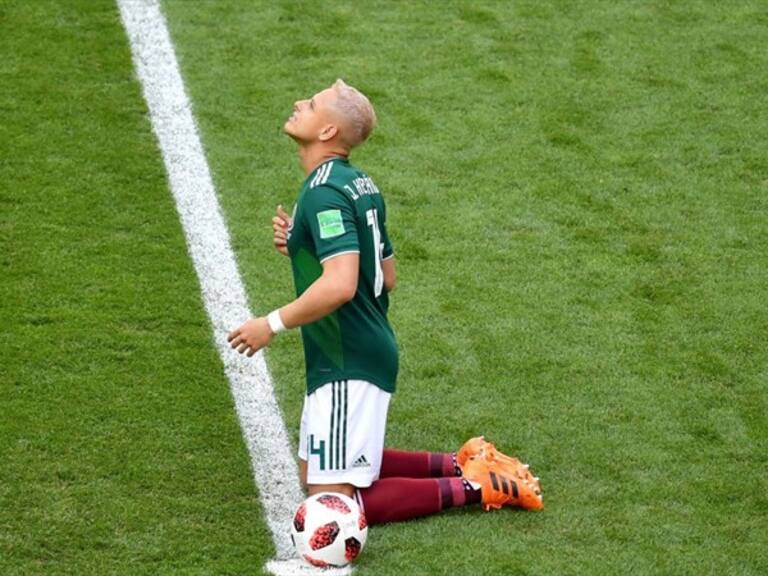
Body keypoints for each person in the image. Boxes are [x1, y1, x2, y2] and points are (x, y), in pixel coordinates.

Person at [227, 80, 542, 524]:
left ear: (327, 132)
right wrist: (302, 242)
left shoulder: (324, 192)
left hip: (347, 356)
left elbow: (340, 285)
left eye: (312, 104)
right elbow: (385, 274)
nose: (300, 103)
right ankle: (462, 462)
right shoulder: (357, 183)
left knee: (332, 506)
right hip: (360, 348)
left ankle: (478, 487)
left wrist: (270, 324)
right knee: (311, 472)